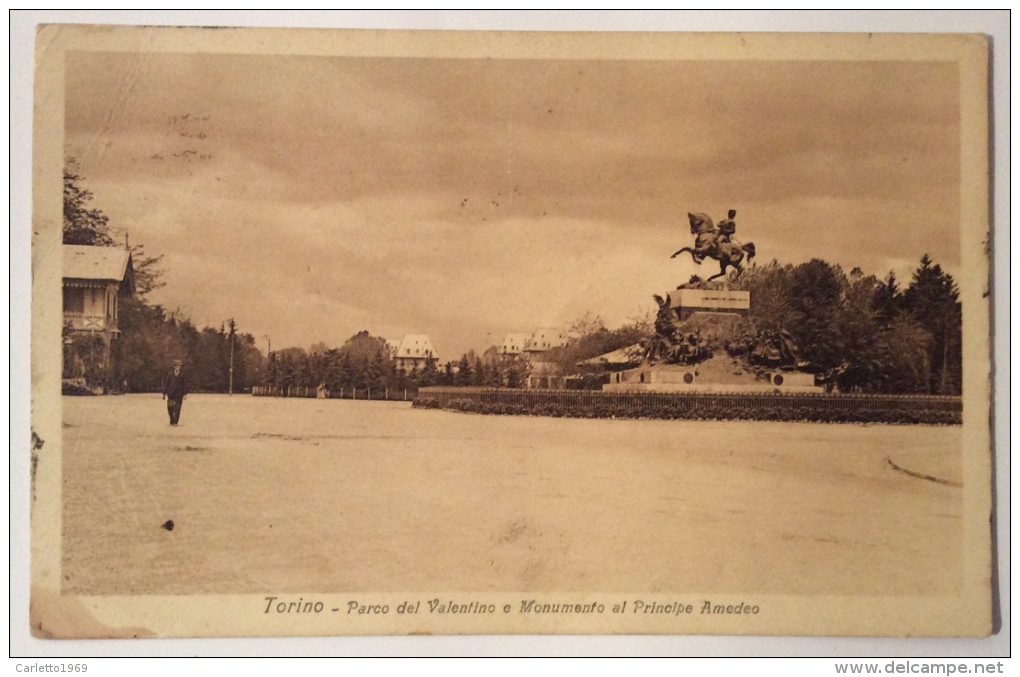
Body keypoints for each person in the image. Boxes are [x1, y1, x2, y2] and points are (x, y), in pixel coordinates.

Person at [162, 359, 188, 426]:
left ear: (180, 366)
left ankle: (175, 422)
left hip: (179, 394)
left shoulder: (183, 375)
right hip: (171, 393)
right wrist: (164, 393)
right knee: (170, 407)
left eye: (178, 366)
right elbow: (166, 384)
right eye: (176, 365)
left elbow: (185, 384)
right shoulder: (170, 374)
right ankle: (172, 419)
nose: (177, 367)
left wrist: (185, 394)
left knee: (177, 408)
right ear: (174, 366)